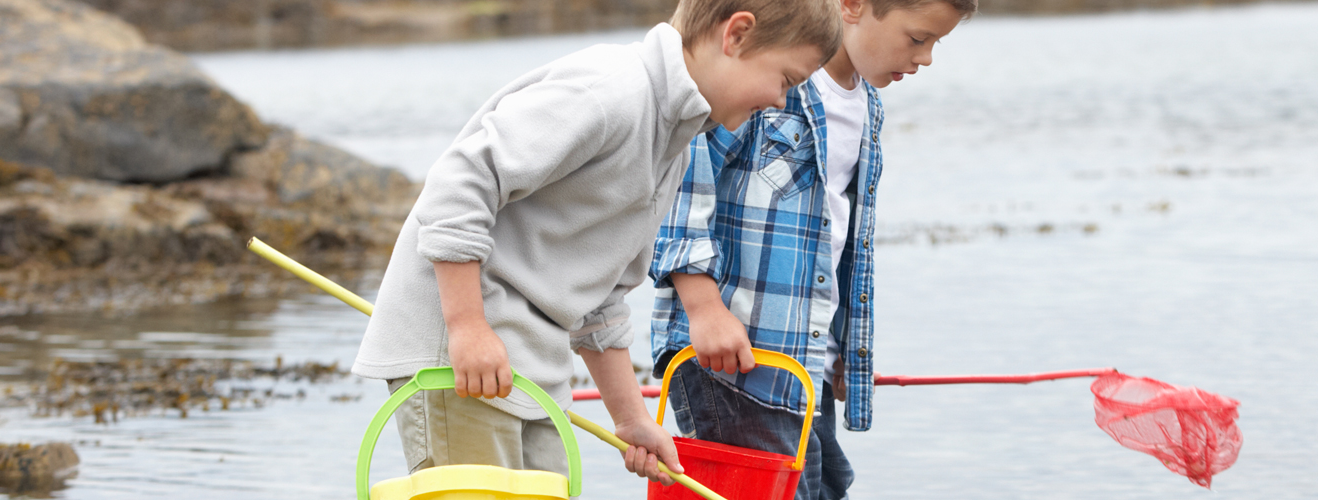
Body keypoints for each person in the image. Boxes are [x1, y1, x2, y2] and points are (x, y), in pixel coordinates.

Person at [351, 0, 842, 485]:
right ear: (735, 35)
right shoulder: (611, 92)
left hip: (532, 366)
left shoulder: (676, 146)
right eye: (785, 80)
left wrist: (631, 420)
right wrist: (466, 326)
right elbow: (459, 184)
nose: (781, 101)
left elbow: (600, 300)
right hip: (461, 354)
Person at [648, 0, 974, 495]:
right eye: (917, 38)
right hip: (735, 359)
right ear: (853, 6)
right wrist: (704, 307)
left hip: (803, 365)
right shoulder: (765, 83)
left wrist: (844, 348)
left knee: (826, 484)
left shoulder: (867, 105)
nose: (925, 58)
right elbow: (680, 181)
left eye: (934, 43)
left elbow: (837, 241)